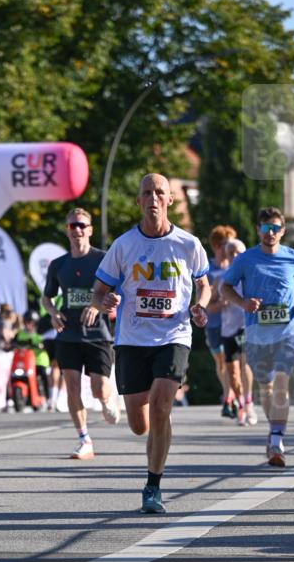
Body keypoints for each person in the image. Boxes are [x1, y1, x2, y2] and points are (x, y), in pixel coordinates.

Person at [87, 173, 210, 514]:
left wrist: (201, 305)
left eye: (159, 192)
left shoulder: (188, 244)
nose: (153, 198)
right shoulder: (124, 245)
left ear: (170, 200)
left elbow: (204, 284)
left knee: (161, 407)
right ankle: (147, 428)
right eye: (147, 193)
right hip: (132, 339)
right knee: (139, 424)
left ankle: (152, 487)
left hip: (174, 335)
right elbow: (97, 293)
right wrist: (103, 303)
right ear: (139, 201)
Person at [220, 207, 294, 467]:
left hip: (288, 332)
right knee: (266, 388)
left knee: (282, 383)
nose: (270, 233)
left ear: (282, 231)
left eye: (275, 228)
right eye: (265, 228)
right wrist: (243, 302)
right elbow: (224, 287)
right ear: (258, 230)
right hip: (257, 335)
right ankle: (274, 431)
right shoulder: (245, 259)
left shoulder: (293, 257)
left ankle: (276, 439)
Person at [42, 207, 120, 460]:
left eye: (82, 225)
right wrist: (53, 313)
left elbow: (117, 293)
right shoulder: (58, 265)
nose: (77, 229)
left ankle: (108, 401)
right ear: (67, 231)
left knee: (98, 390)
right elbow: (46, 297)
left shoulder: (103, 260)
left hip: (98, 334)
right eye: (73, 226)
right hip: (68, 334)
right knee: (72, 388)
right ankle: (84, 439)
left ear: (90, 230)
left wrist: (96, 306)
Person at [218, 238, 257, 426]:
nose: (234, 256)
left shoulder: (251, 275)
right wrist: (221, 303)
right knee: (232, 372)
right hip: (228, 328)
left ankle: (248, 403)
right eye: (231, 252)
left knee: (245, 364)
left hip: (247, 325)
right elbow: (210, 307)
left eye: (238, 252)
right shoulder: (222, 278)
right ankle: (240, 403)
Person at [205, 225, 236, 416]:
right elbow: (204, 303)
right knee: (222, 363)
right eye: (227, 244)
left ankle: (229, 398)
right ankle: (228, 396)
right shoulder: (207, 269)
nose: (230, 248)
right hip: (215, 323)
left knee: (232, 362)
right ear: (217, 246)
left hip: (234, 324)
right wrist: (221, 302)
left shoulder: (235, 267)